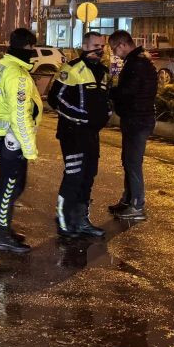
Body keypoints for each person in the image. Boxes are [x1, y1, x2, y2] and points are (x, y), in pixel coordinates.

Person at [46, 31, 110, 239]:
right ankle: (64, 220)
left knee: (88, 176)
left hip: (92, 135)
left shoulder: (103, 72)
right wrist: (81, 116)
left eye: (101, 45)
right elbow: (55, 99)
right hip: (72, 133)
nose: (98, 50)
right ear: (84, 45)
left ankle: (81, 220)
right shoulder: (72, 69)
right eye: (94, 45)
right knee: (73, 176)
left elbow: (106, 100)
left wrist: (106, 114)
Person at [0, 27, 42, 254]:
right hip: (13, 139)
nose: (34, 53)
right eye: (32, 49)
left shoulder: (2, 66)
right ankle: (1, 235)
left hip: (5, 136)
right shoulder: (17, 75)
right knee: (10, 187)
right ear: (27, 48)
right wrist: (30, 150)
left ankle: (2, 228)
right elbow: (20, 116)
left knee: (14, 186)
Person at [107, 30, 157, 221]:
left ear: (122, 45)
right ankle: (128, 200)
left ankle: (137, 205)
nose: (114, 53)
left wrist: (111, 92)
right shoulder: (138, 61)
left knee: (133, 162)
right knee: (128, 160)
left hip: (138, 120)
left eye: (114, 49)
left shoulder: (137, 64)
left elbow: (128, 91)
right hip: (136, 118)